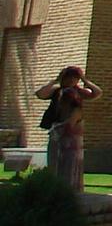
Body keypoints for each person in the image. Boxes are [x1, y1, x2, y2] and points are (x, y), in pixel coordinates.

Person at [35, 65, 101, 193]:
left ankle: (71, 187)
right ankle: (55, 185)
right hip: (57, 129)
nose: (71, 80)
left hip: (73, 133)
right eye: (68, 77)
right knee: (55, 159)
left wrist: (84, 80)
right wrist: (55, 80)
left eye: (74, 78)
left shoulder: (79, 92)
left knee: (71, 161)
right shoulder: (56, 91)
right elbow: (40, 94)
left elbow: (97, 93)